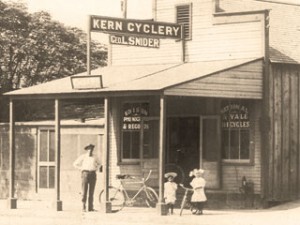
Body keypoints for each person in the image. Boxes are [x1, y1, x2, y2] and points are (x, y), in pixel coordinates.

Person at [73, 144, 101, 212]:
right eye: (89, 149)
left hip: (93, 174)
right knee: (84, 191)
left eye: (91, 149)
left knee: (91, 192)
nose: (90, 150)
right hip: (85, 174)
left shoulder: (95, 157)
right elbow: (75, 164)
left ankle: (90, 207)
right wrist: (81, 169)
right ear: (86, 150)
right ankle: (83, 207)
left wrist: (96, 168)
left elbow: (100, 163)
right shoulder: (83, 156)